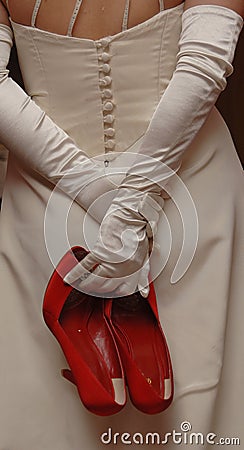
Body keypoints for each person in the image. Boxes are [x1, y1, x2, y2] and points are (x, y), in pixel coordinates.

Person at [0, 0, 243, 448]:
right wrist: (127, 207)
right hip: (179, 191)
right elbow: (206, 57)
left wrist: (107, 200)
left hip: (59, 197)